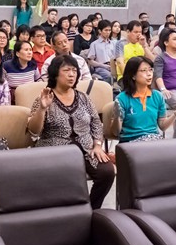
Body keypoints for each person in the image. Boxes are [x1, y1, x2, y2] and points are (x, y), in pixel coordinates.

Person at [28, 55, 115, 209]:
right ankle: (67, 212)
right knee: (69, 175)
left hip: (86, 149)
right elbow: (34, 131)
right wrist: (42, 108)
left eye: (74, 71)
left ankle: (91, 209)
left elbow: (96, 122)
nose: (71, 74)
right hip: (55, 151)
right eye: (66, 70)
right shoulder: (44, 98)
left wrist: (97, 145)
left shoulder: (83, 98)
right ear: (55, 73)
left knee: (107, 172)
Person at [112, 56, 176, 142]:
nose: (149, 74)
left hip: (153, 140)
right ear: (133, 76)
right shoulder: (122, 98)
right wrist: (117, 118)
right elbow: (115, 132)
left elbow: (163, 126)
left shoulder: (157, 96)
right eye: (144, 70)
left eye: (150, 70)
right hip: (131, 142)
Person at [153, 29, 176, 138]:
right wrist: (163, 89)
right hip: (171, 91)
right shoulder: (161, 58)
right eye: (174, 39)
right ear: (166, 42)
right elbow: (158, 76)